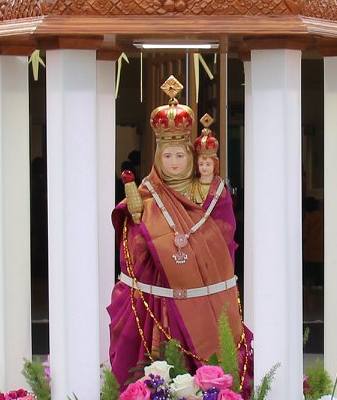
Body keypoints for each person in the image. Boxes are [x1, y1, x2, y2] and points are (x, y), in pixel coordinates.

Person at [107, 78, 252, 381]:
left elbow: (224, 236)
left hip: (204, 293)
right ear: (158, 157)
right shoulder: (145, 194)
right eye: (168, 156)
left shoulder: (209, 194)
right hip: (159, 301)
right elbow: (130, 252)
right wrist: (141, 229)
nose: (174, 163)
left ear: (191, 157)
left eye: (180, 155)